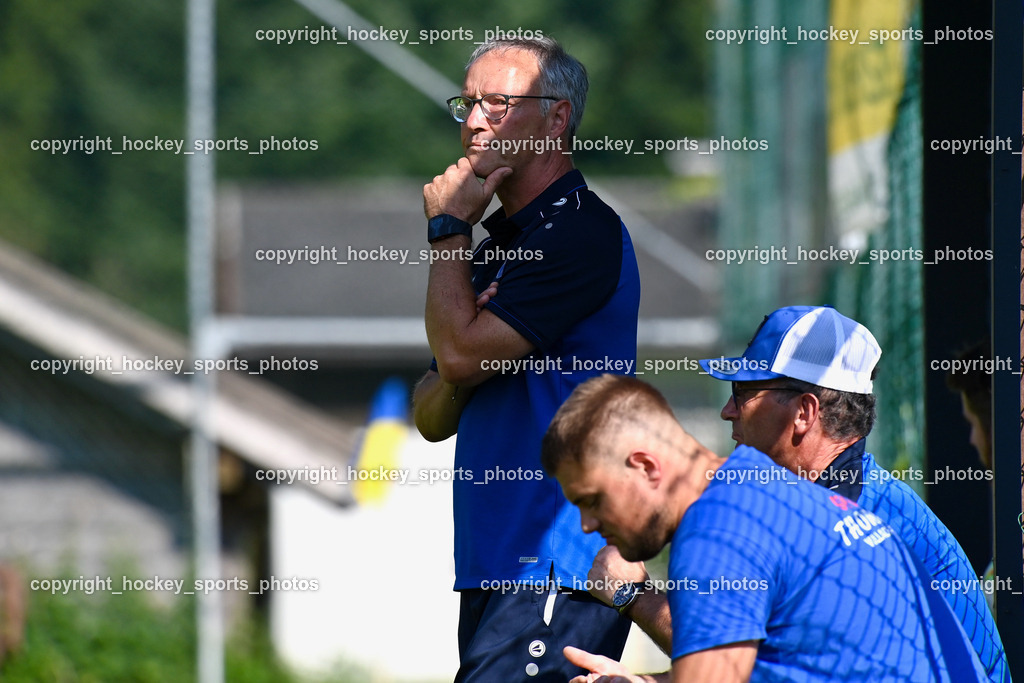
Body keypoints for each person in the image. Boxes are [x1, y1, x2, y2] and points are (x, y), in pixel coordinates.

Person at [580, 305, 1010, 682]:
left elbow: (741, 654)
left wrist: (632, 594)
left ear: (804, 413)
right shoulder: (844, 498)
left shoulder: (853, 517)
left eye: (743, 393)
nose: (727, 410)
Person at [412, 36, 640, 681]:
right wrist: (467, 361)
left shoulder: (578, 232)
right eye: (468, 103)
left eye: (498, 104)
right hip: (494, 562)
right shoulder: (497, 248)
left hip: (558, 560)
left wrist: (448, 228)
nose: (475, 121)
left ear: (557, 117)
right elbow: (430, 414)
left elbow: (454, 359)